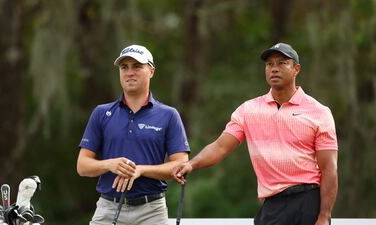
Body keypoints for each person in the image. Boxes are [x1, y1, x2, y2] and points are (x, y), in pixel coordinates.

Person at [172, 43, 338, 225]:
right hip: (272, 204)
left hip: (307, 200)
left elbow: (329, 168)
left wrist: (324, 216)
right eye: (269, 64)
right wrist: (192, 164)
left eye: (282, 63)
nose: (274, 69)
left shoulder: (319, 112)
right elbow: (220, 147)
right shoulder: (248, 110)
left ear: (296, 69)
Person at [77, 44, 190, 225]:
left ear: (151, 71)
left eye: (137, 66)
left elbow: (180, 165)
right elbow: (82, 166)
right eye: (124, 67)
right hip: (108, 208)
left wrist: (140, 170)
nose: (129, 72)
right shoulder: (101, 113)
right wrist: (110, 164)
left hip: (151, 211)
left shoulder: (169, 115)